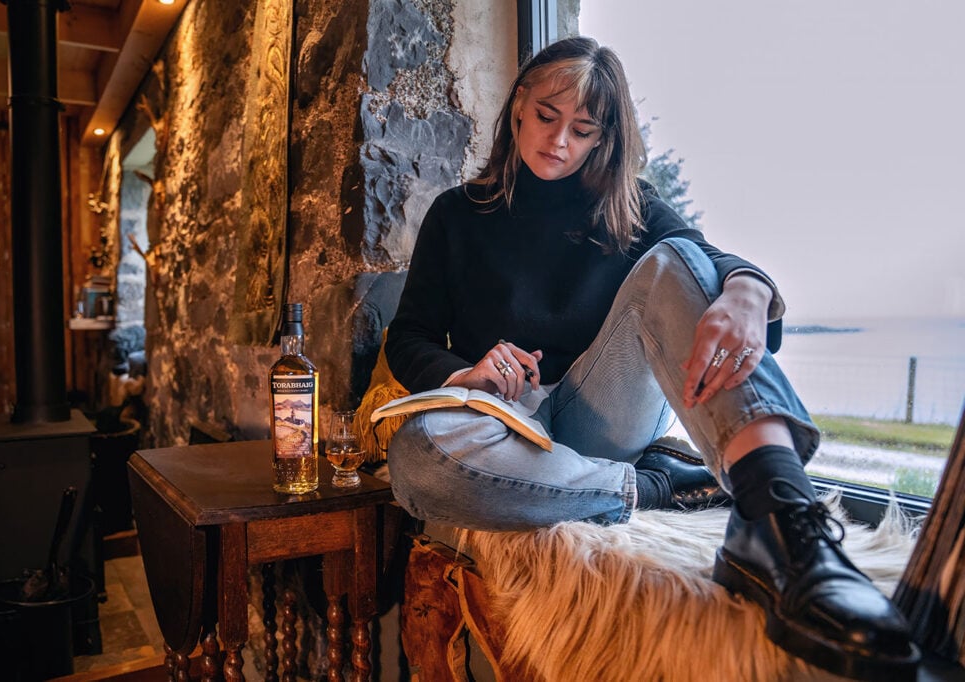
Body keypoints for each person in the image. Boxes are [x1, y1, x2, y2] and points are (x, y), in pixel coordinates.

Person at [383, 36, 917, 679]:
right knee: (415, 458)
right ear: (519, 106)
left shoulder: (629, 208)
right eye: (548, 118)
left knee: (674, 262)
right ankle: (653, 486)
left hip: (597, 415)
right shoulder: (456, 216)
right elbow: (408, 336)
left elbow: (701, 267)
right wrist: (464, 375)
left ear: (602, 138)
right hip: (499, 426)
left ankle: (781, 517)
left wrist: (750, 290)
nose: (559, 141)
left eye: (581, 130)